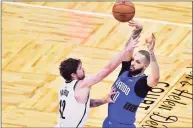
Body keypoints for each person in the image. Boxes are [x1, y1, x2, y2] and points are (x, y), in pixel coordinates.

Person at [55, 31, 140, 127]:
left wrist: (104, 100)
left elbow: (88, 104)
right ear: (73, 75)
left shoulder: (63, 88)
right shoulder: (81, 85)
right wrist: (126, 50)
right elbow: (106, 70)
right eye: (80, 69)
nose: (83, 69)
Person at [102, 20, 160, 128]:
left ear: (145, 66)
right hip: (108, 123)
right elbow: (127, 49)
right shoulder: (125, 71)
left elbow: (156, 77)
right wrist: (137, 31)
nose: (133, 63)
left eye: (138, 62)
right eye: (133, 60)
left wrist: (151, 52)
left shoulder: (142, 83)